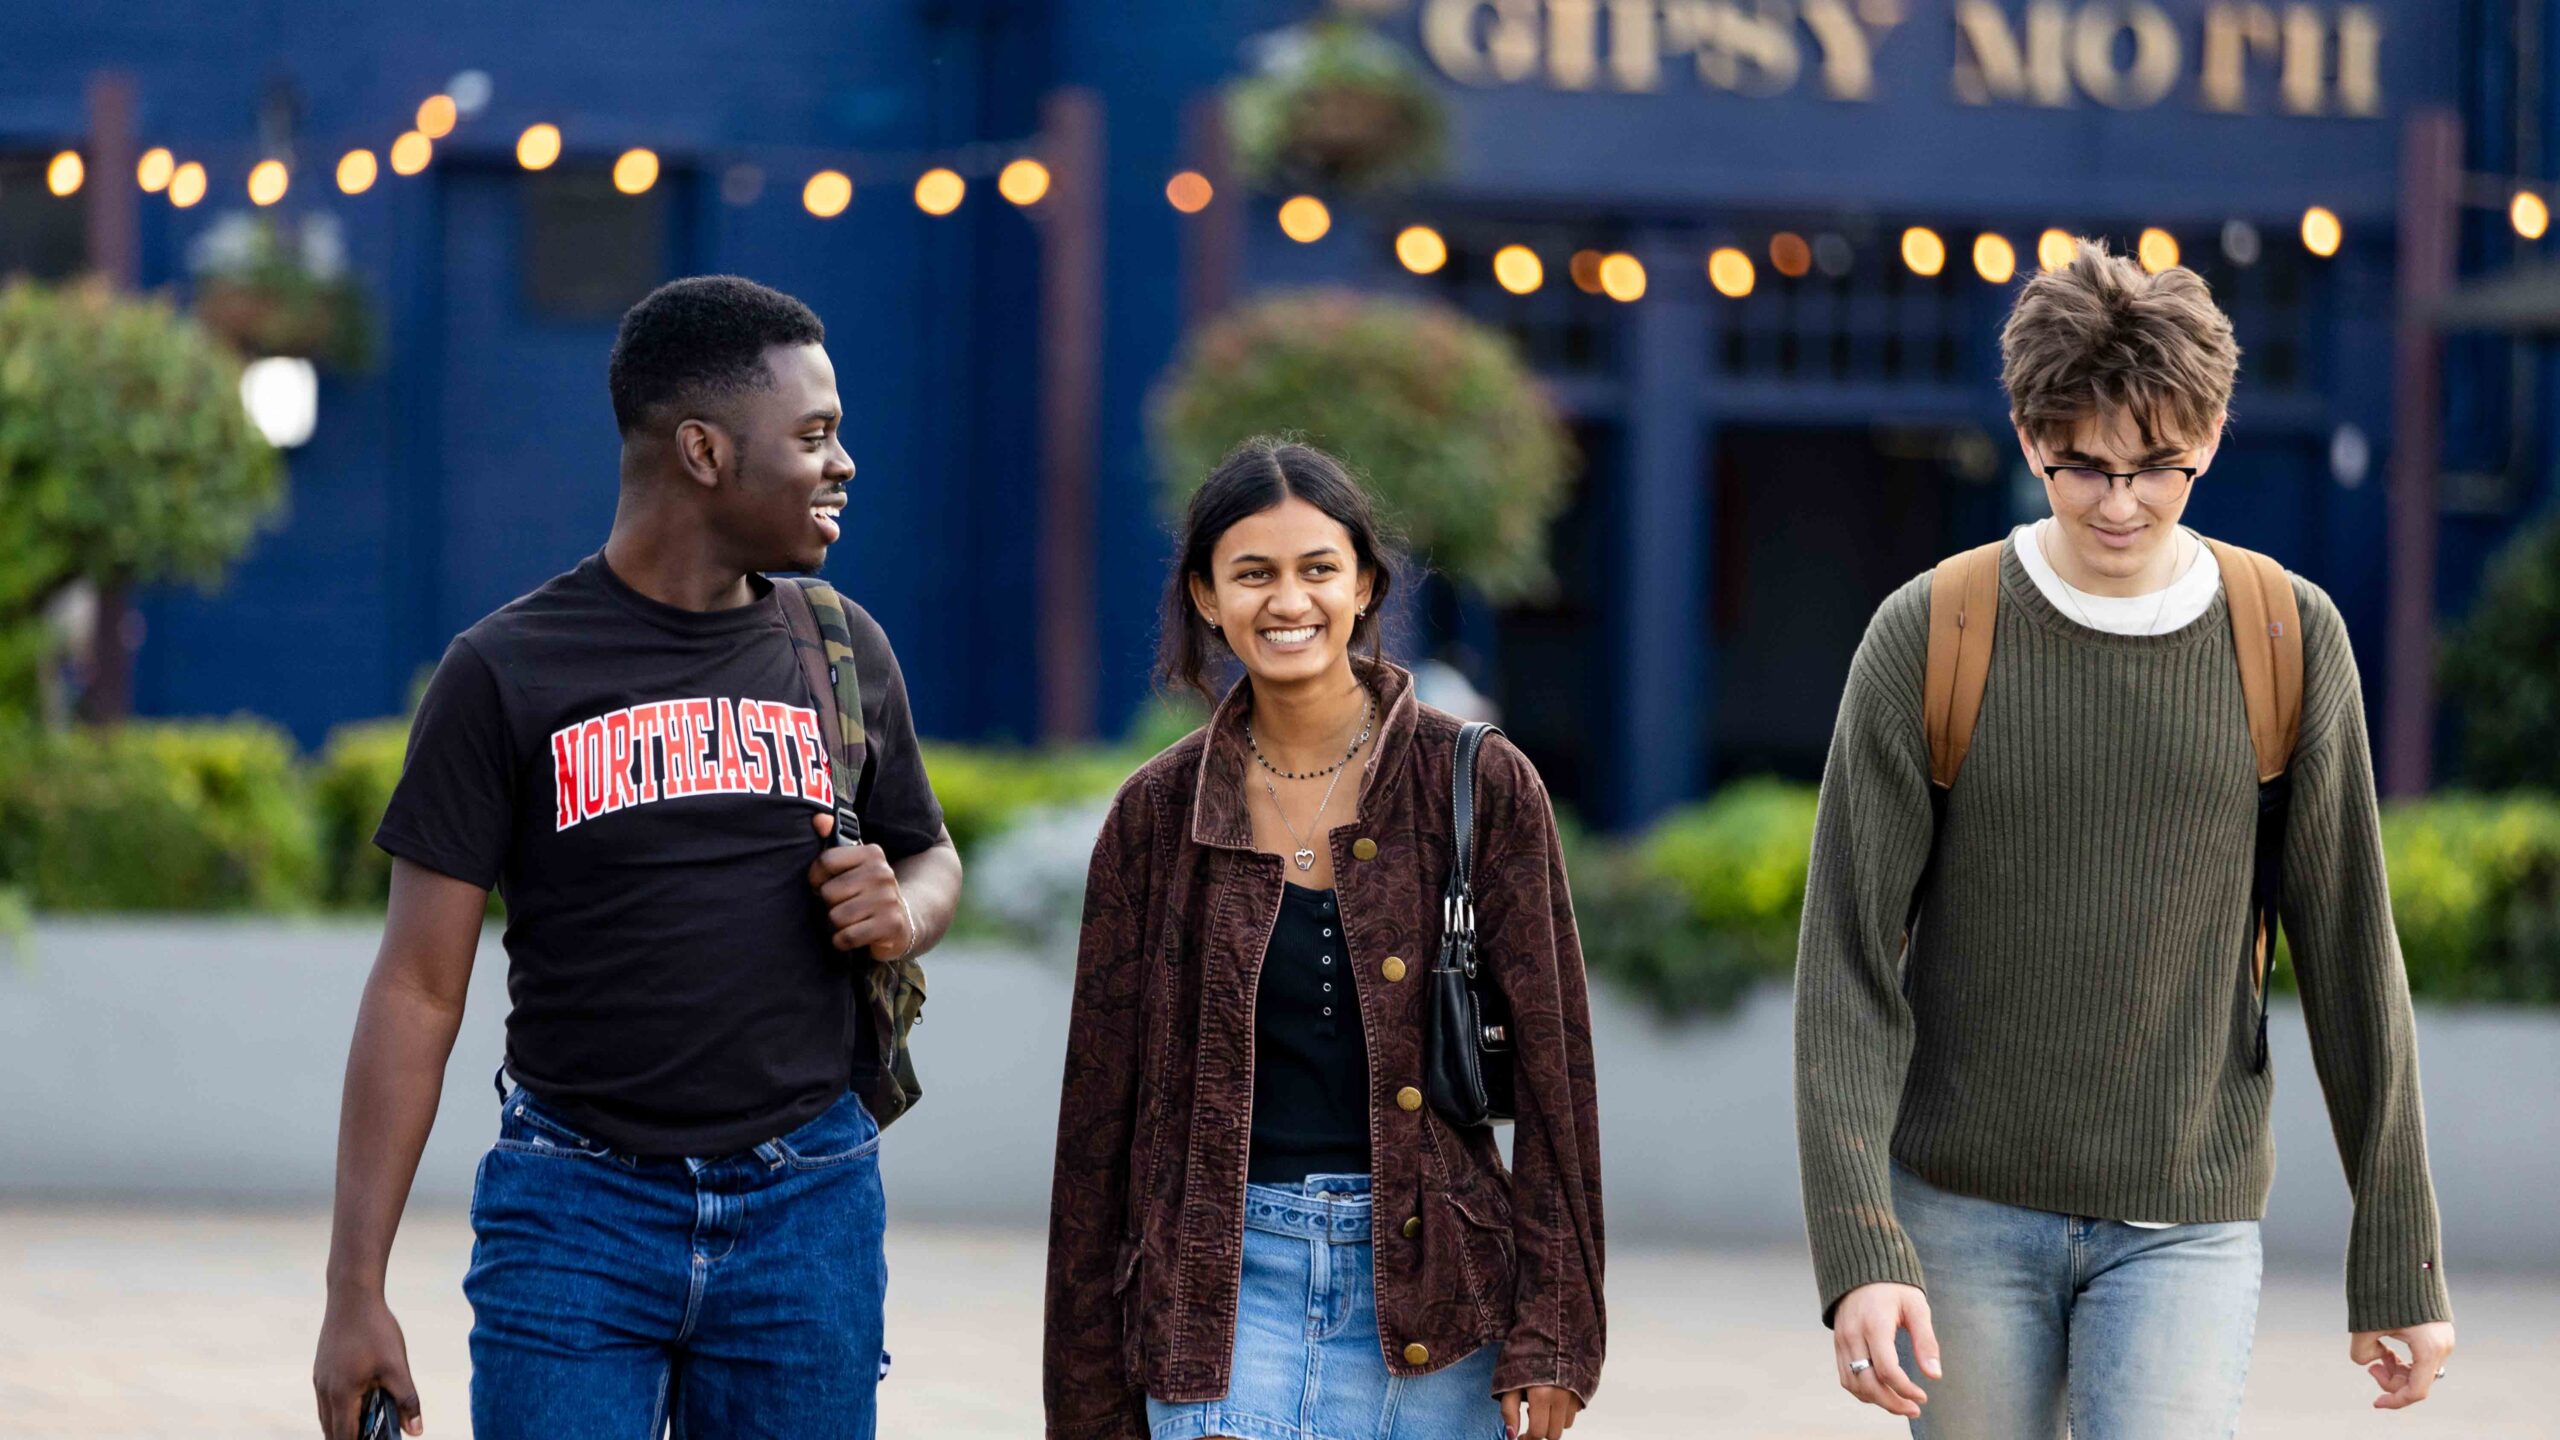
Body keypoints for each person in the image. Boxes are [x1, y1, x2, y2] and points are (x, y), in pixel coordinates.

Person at [1793, 238, 2455, 1437]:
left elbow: (2354, 955)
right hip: (1958, 1213)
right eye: (2079, 465)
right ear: (2025, 431)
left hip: (2188, 1224)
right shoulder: (1930, 632)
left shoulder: (2284, 638)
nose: (2118, 501)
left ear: (2209, 433)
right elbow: (1844, 962)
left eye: (2156, 465)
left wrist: (2397, 1256)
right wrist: (1859, 1245)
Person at [310, 275, 961, 1440]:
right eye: (813, 436)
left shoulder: (839, 648)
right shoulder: (506, 671)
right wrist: (353, 1293)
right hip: (575, 1215)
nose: (844, 462)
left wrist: (903, 910)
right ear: (705, 451)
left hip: (807, 1212)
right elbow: (415, 988)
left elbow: (931, 855)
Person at [1043, 440, 1604, 1440]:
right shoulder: (1154, 816)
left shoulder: (1477, 784)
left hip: (1441, 1296)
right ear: (1208, 599)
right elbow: (1096, 1131)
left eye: (1316, 569)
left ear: (1364, 585)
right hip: (1217, 1294)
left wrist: (1555, 1333)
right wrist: (1085, 1402)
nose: (1286, 599)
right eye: (1251, 573)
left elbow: (1561, 1081)